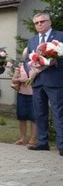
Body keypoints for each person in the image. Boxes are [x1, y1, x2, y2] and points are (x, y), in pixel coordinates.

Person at [26, 12, 63, 156]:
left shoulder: (60, 37)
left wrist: (55, 62)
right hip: (37, 82)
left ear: (50, 22)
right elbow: (27, 59)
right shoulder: (32, 40)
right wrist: (31, 70)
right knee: (40, 113)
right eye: (37, 23)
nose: (39, 24)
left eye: (42, 21)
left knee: (58, 113)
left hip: (55, 81)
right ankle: (42, 142)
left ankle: (61, 145)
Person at [11, 48, 37, 147]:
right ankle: (22, 138)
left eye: (28, 54)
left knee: (34, 118)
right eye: (25, 54)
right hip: (22, 94)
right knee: (22, 117)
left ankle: (32, 140)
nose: (26, 56)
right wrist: (20, 79)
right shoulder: (21, 65)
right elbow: (14, 79)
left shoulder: (37, 65)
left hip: (34, 95)